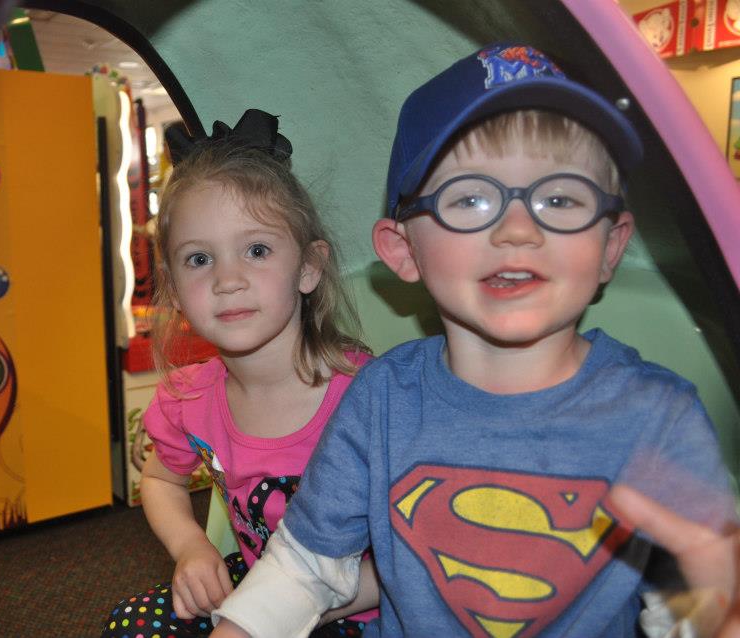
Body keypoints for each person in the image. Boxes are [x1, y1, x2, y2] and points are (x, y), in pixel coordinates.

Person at [210, 44, 738, 637]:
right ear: (403, 250)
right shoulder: (380, 400)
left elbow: (700, 608)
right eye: (471, 199)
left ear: (610, 247)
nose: (519, 229)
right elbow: (304, 568)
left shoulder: (658, 419)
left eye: (560, 198)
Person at [100, 109, 379, 638]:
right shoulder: (189, 397)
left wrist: (283, 613)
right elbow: (159, 478)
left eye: (256, 250)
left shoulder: (368, 396)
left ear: (308, 267)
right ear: (173, 287)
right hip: (253, 589)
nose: (227, 279)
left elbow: (416, 548)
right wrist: (191, 546)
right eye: (199, 259)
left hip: (358, 609)